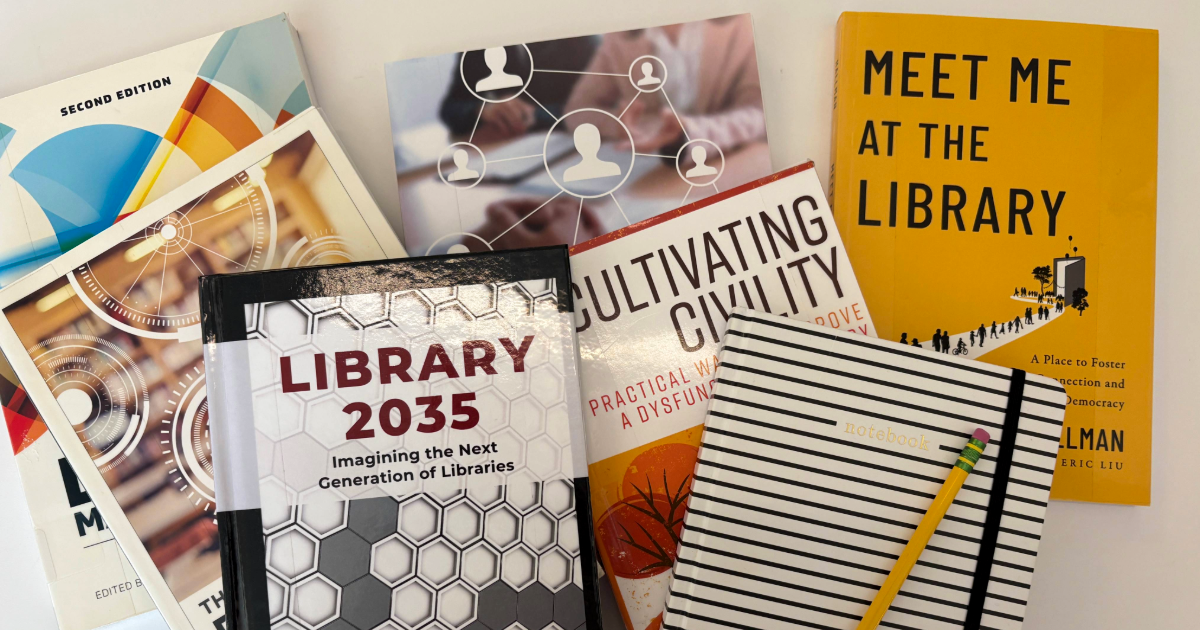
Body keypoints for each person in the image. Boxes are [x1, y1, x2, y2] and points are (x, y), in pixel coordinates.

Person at [563, 16, 766, 158]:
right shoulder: (619, 37)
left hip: (731, 162)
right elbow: (577, 108)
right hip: (652, 171)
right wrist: (619, 125)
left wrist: (691, 133)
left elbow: (760, 110)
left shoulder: (743, 24)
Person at [440, 37, 599, 143]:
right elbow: (450, 109)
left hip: (572, 145)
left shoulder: (579, 38)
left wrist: (529, 114)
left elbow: (596, 109)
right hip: (509, 147)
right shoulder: (480, 41)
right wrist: (482, 110)